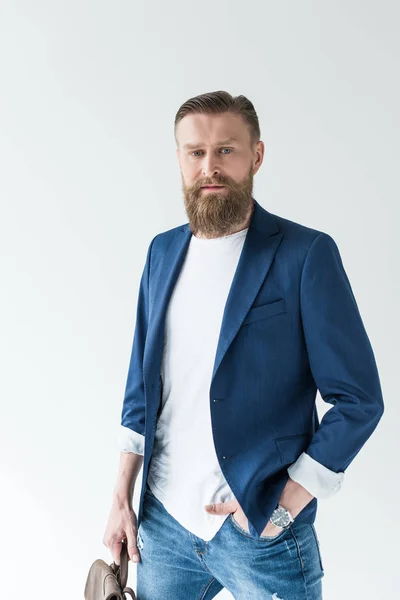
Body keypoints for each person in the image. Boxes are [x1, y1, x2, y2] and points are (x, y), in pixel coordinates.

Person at [103, 91, 384, 599]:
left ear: (256, 155)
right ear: (180, 159)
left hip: (262, 533)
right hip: (163, 527)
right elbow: (139, 391)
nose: (210, 166)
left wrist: (288, 501)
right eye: (196, 152)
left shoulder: (305, 255)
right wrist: (121, 496)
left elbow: (360, 399)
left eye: (225, 150)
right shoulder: (161, 252)